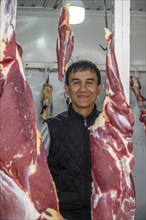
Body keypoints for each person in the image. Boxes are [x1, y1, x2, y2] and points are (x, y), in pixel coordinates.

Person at [40, 60, 102, 220]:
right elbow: (36, 173)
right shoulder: (51, 127)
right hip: (61, 214)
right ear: (67, 88)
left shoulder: (110, 125)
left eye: (90, 83)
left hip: (104, 211)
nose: (83, 89)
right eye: (76, 83)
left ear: (99, 88)